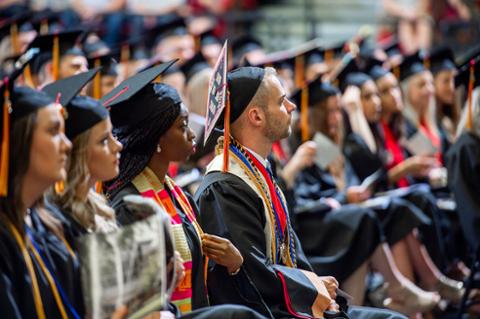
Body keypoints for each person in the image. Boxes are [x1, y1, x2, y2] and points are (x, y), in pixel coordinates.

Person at [194, 66, 407, 319]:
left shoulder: (257, 169)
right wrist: (311, 288)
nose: (292, 107)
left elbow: (289, 249)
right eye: (282, 101)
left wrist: (315, 282)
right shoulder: (226, 185)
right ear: (256, 116)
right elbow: (253, 272)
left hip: (291, 300)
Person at [103, 62, 268, 318]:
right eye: (182, 127)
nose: (192, 135)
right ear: (156, 138)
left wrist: (233, 264)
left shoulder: (180, 198)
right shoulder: (129, 208)